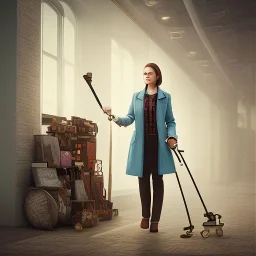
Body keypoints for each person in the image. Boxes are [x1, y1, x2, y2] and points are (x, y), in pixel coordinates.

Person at [102, 63, 178, 233]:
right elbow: (129, 118)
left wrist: (172, 137)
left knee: (157, 182)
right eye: (144, 73)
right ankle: (145, 216)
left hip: (158, 146)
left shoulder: (166, 97)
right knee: (143, 181)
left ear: (157, 75)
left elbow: (170, 121)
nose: (147, 76)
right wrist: (113, 117)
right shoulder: (136, 96)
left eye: (150, 73)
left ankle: (155, 220)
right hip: (141, 147)